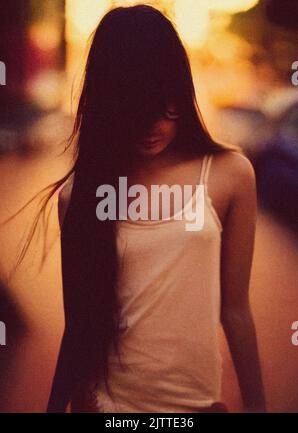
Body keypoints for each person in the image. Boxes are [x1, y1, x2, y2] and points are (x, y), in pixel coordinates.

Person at [46, 5, 266, 413]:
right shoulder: (79, 195)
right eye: (135, 108)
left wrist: (258, 407)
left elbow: (235, 310)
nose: (152, 125)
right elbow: (78, 324)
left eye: (166, 102)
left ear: (182, 92)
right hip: (107, 409)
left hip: (197, 406)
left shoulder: (231, 175)